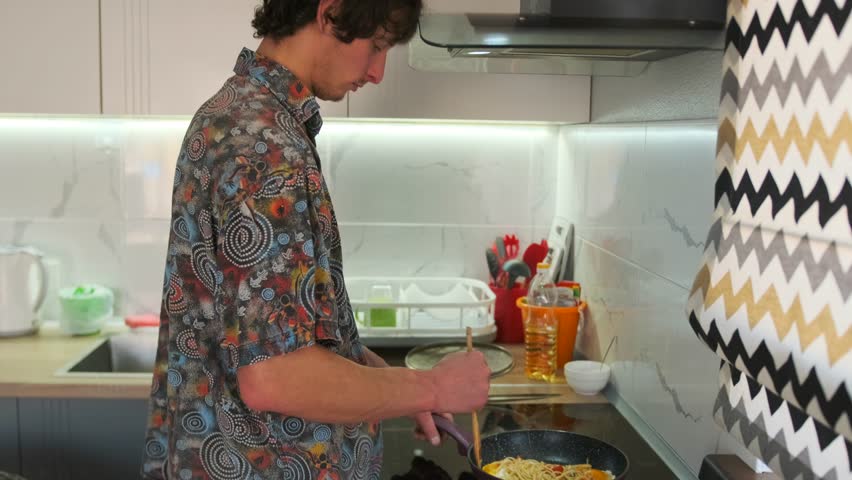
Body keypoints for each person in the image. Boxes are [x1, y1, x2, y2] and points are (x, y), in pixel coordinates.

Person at [140, 0, 491, 478]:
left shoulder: (235, 114)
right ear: (331, 13)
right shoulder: (266, 150)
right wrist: (432, 388)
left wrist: (393, 387)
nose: (378, 72)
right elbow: (277, 376)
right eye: (378, 45)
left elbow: (275, 337)